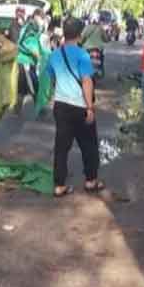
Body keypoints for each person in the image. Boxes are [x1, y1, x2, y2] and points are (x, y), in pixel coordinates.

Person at [46, 18, 104, 197]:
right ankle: (91, 180)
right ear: (80, 35)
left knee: (61, 147)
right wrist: (90, 108)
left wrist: (55, 96)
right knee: (89, 144)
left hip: (61, 106)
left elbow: (51, 77)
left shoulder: (54, 54)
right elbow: (87, 81)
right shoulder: (82, 55)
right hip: (79, 106)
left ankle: (59, 185)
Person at [15, 18, 48, 114]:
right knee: (33, 86)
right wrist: (35, 54)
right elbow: (32, 50)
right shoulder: (29, 34)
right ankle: (39, 109)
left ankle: (18, 109)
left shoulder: (31, 35)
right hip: (26, 64)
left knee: (24, 87)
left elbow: (37, 48)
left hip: (27, 63)